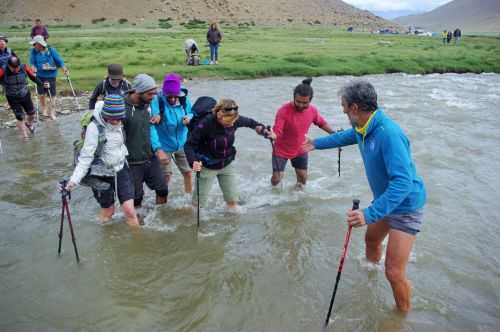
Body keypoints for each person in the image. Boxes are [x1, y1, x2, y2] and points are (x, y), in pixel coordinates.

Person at [302, 80, 426, 313]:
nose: (342, 110)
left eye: (344, 106)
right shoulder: (363, 127)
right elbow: (347, 136)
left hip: (406, 206)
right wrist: (316, 144)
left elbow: (403, 183)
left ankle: (401, 317)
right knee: (371, 241)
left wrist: (370, 213)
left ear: (355, 108)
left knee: (394, 272)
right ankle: (369, 279)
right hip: (385, 201)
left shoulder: (389, 134)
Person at [184, 98, 272, 212]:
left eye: (233, 122)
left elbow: (252, 124)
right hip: (207, 166)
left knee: (232, 203)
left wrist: (264, 131)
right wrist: (193, 162)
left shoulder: (234, 119)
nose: (231, 124)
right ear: (219, 114)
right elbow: (189, 145)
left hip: (226, 164)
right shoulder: (206, 123)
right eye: (228, 122)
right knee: (197, 207)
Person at [65, 95, 139, 227]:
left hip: (121, 168)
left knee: (129, 211)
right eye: (113, 118)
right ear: (105, 114)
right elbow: (86, 157)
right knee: (108, 212)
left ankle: (138, 243)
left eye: (119, 118)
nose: (117, 122)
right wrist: (73, 181)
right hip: (101, 174)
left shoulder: (120, 120)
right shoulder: (94, 128)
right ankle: (106, 237)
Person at [269, 78, 334, 189]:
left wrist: (334, 134)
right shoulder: (283, 111)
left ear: (310, 100)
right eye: (298, 101)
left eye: (305, 103)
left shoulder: (312, 110)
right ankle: (270, 192)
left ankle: (296, 197)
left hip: (300, 148)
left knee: (303, 179)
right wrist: (273, 135)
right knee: (277, 179)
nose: (300, 105)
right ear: (294, 97)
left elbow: (321, 123)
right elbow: (277, 131)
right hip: (281, 149)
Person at [123, 74, 169, 207]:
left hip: (150, 158)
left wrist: (158, 148)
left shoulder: (147, 105)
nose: (153, 97)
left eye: (155, 93)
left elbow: (151, 127)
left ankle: (159, 217)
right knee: (136, 198)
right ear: (138, 92)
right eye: (150, 94)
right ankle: (137, 223)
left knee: (163, 190)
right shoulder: (122, 109)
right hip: (131, 162)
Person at [150, 73, 193, 196]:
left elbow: (191, 112)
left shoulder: (184, 99)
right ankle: (162, 204)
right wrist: (157, 116)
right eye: (169, 97)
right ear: (164, 93)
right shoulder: (157, 100)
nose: (173, 99)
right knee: (166, 177)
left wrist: (189, 117)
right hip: (164, 145)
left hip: (182, 143)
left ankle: (188, 200)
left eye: (175, 96)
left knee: (188, 173)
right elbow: (153, 118)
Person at [0, 56, 42, 138]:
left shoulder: (24, 67)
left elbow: (33, 77)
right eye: (13, 67)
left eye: (17, 67)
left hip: (25, 94)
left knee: (32, 113)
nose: (15, 69)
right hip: (12, 96)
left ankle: (29, 124)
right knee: (20, 117)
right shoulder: (2, 70)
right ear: (8, 65)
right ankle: (25, 137)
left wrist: (41, 84)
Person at [29, 35, 68, 120]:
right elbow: (32, 62)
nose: (34, 46)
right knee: (41, 94)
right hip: (39, 75)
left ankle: (52, 111)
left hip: (51, 75)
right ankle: (44, 108)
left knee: (52, 94)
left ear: (40, 44)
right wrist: (33, 67)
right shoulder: (33, 51)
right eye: (34, 44)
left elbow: (59, 60)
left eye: (35, 44)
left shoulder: (51, 50)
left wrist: (64, 69)